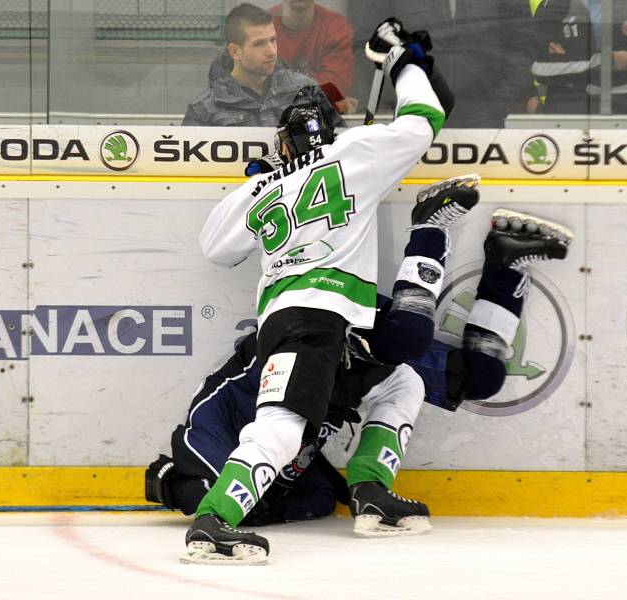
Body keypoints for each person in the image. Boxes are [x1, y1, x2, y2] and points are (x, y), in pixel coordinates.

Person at [182, 17, 456, 564]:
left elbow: (216, 247)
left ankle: (371, 492)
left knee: (401, 381)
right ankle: (214, 522)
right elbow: (425, 119)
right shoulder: (354, 155)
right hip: (314, 319)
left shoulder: (264, 186)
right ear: (328, 131)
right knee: (283, 425)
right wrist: (405, 64)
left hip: (312, 322)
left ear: (282, 142)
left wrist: (258, 184)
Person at [146, 180, 573, 530]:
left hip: (315, 329)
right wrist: (294, 502)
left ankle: (430, 225)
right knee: (481, 378)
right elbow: (317, 498)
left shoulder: (202, 443)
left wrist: (188, 494)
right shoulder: (286, 486)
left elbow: (202, 474)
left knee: (406, 336)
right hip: (344, 374)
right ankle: (504, 262)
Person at [349, 1, 535, 128]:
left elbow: (522, 48)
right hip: (414, 113)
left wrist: (497, 103)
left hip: (481, 113)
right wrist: (396, 97)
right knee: (412, 185)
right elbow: (367, 46)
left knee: (481, 184)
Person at [182, 3, 342, 127]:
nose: (272, 51)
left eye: (273, 40)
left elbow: (339, 148)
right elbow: (186, 167)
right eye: (259, 44)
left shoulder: (305, 91)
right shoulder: (204, 109)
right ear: (235, 51)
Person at [530, 0, 627, 115]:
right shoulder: (555, 4)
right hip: (565, 115)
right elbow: (539, 68)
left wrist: (573, 74)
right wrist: (609, 61)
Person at [269, 0, 356, 113]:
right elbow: (254, 87)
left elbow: (335, 87)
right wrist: (329, 103)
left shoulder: (336, 26)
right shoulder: (261, 24)